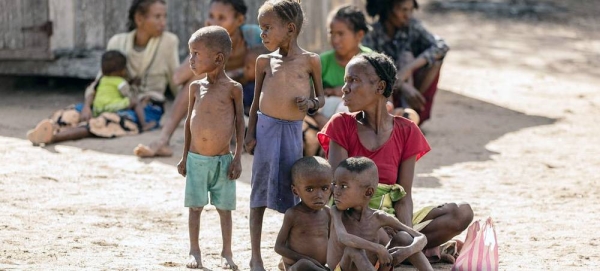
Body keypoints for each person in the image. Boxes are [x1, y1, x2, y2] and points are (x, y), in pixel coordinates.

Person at [318, 52, 473, 265]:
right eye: (346, 80)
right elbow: (338, 190)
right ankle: (403, 252)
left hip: (391, 220)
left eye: (353, 80)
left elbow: (403, 194)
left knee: (461, 212)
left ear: (380, 87)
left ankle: (400, 249)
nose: (345, 88)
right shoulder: (341, 124)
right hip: (353, 221)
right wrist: (374, 222)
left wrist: (405, 232)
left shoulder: (406, 130)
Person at [27, 0, 179, 145]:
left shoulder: (169, 42)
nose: (163, 22)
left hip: (146, 108)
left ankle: (55, 137)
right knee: (72, 113)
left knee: (107, 121)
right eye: (157, 17)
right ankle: (47, 129)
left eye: (164, 16)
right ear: (139, 19)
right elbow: (100, 81)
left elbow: (176, 80)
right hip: (111, 102)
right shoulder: (117, 42)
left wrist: (191, 109)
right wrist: (87, 106)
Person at [244, 1, 325, 270]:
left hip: (292, 133)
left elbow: (321, 98)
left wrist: (311, 104)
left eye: (267, 28)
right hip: (266, 131)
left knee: (293, 191)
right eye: (261, 28)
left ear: (289, 29)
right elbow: (255, 101)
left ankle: (290, 255)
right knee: (259, 193)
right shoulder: (264, 61)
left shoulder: (310, 60)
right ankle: (255, 255)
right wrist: (250, 133)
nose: (262, 34)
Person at [134, 0, 263, 157]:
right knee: (199, 77)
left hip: (251, 99)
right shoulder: (207, 40)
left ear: (239, 20)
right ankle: (163, 140)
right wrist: (205, 42)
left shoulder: (253, 36)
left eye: (221, 18)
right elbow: (177, 78)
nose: (214, 22)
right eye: (211, 16)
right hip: (219, 100)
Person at [176, 26, 245, 270]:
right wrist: (184, 157)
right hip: (196, 160)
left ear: (218, 58)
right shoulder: (195, 87)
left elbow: (239, 123)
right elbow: (188, 124)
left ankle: (227, 253)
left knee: (224, 209)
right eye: (190, 54)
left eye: (195, 54)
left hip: (222, 162)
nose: (191, 60)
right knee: (195, 208)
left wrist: (237, 158)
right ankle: (194, 251)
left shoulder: (233, 89)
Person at [328, 157, 431, 271]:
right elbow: (344, 238)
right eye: (334, 184)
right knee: (353, 250)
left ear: (368, 192)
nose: (335, 191)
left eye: (343, 186)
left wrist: (407, 250)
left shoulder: (378, 217)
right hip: (343, 268)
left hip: (373, 268)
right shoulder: (337, 212)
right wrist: (377, 248)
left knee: (404, 237)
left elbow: (421, 238)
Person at [363, 0, 449, 125]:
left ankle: (409, 115)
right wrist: (402, 85)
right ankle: (392, 117)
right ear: (388, 10)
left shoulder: (412, 26)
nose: (408, 15)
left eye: (410, 10)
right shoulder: (371, 34)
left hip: (415, 92)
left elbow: (442, 46)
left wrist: (408, 69)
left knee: (416, 58)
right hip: (386, 92)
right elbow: (367, 67)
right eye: (403, 10)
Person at [274, 156, 332, 271]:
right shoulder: (293, 215)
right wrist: (306, 259)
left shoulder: (327, 213)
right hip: (298, 267)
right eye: (310, 189)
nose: (319, 195)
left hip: (320, 266)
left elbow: (332, 240)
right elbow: (278, 247)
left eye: (324, 188)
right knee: (304, 264)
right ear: (296, 191)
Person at [93, 50, 155, 132]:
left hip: (97, 107)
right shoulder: (120, 82)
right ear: (122, 70)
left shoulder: (102, 80)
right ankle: (144, 124)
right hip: (111, 106)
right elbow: (128, 94)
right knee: (135, 102)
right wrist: (135, 86)